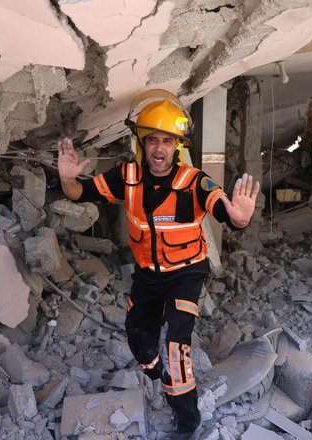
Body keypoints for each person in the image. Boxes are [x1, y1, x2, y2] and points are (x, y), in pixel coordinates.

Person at [57, 89, 259, 439]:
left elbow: (226, 212)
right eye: (153, 140)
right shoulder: (128, 177)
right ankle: (154, 375)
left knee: (175, 348)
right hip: (148, 275)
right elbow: (79, 193)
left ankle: (187, 419)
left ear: (178, 145)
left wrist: (240, 218)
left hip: (186, 274)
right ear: (141, 143)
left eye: (168, 140)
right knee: (139, 338)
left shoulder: (193, 182)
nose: (160, 148)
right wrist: (67, 178)